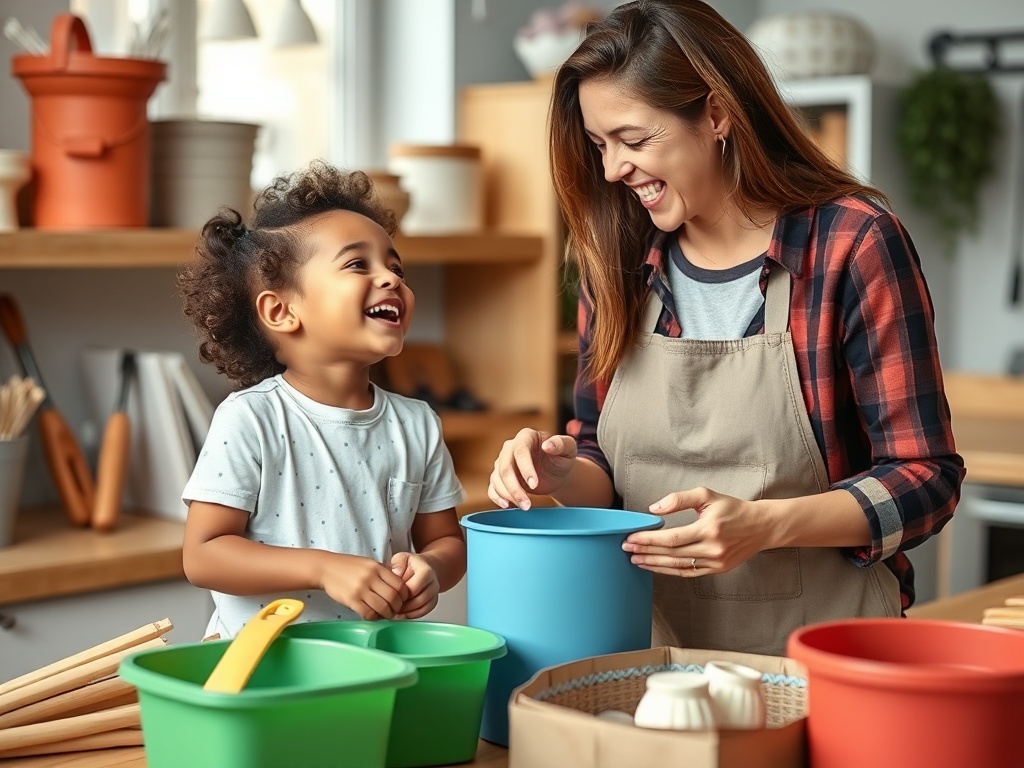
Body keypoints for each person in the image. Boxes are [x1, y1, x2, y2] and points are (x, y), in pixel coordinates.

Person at [487, 0, 965, 656]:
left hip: (817, 654)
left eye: (633, 139)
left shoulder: (851, 244)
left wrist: (764, 526)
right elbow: (602, 452)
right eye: (600, 146)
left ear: (715, 114)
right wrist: (554, 476)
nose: (610, 170)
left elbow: (925, 477)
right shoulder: (614, 262)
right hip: (642, 651)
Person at [178, 161, 466, 639]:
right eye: (358, 264)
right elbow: (203, 553)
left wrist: (431, 568)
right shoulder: (251, 419)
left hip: (370, 664)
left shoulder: (418, 425)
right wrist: (323, 569)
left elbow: (446, 541)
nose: (392, 279)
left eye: (395, 266)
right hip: (260, 666)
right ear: (281, 311)